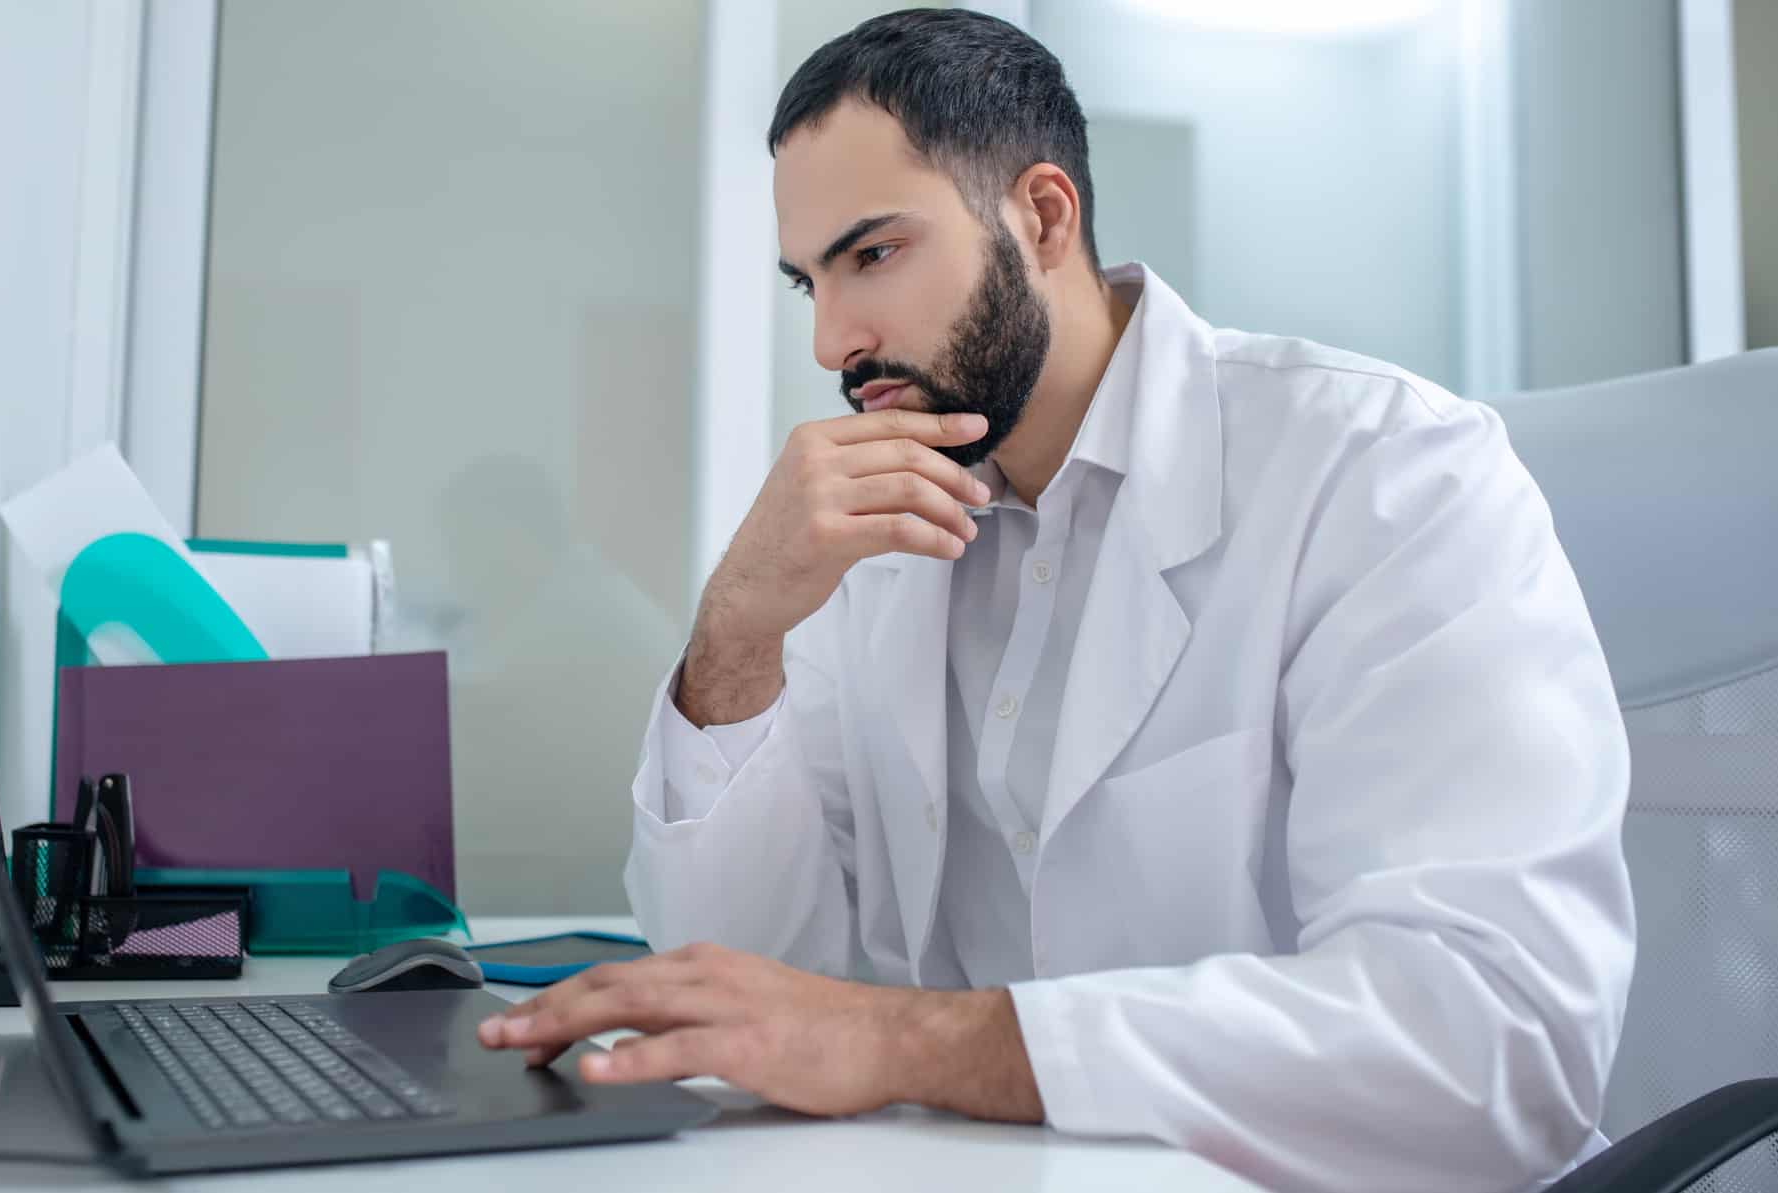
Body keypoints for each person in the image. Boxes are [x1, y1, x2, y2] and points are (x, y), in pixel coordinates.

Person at [476, 11, 1633, 1191]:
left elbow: (1491, 1040)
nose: (832, 339)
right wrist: (739, 626)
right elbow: (752, 979)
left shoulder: (1384, 471)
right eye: (808, 281)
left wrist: (906, 1043)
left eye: (874, 255)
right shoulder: (883, 526)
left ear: (1041, 216)